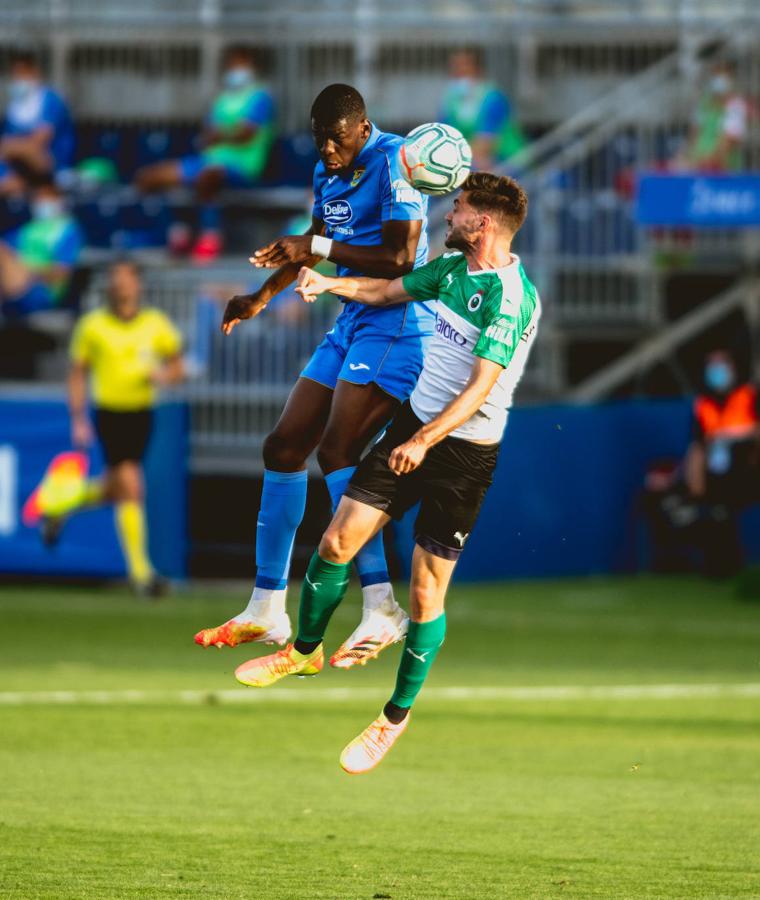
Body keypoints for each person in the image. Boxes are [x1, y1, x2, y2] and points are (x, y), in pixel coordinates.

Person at [232, 172, 540, 774]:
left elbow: (482, 387)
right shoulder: (452, 273)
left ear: (483, 223)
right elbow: (388, 290)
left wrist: (426, 439)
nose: (446, 217)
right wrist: (328, 282)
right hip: (414, 429)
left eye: (458, 209)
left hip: (462, 452)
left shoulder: (511, 296)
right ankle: (301, 651)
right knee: (336, 539)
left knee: (427, 592)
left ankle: (392, 719)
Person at [194, 83, 433, 668]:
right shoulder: (328, 173)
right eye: (318, 137)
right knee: (283, 445)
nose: (326, 147)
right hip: (352, 317)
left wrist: (317, 244)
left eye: (336, 137)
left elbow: (401, 258)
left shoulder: (394, 161)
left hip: (397, 321)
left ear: (362, 127)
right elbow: (313, 244)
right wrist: (259, 297)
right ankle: (266, 605)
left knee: (339, 449)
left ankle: (381, 602)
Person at [40, 258, 185, 596]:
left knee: (117, 487)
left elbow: (177, 367)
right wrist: (78, 419)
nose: (120, 284)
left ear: (138, 284)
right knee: (132, 485)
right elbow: (77, 374)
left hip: (142, 413)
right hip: (109, 414)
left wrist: (163, 376)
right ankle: (141, 574)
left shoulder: (156, 324)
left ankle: (60, 504)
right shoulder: (92, 326)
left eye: (125, 278)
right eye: (114, 278)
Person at [135, 45, 276, 263]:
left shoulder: (261, 98)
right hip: (208, 160)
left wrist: (220, 135)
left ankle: (210, 236)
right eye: (232, 65)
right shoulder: (221, 100)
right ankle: (176, 232)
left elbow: (246, 134)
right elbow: (209, 134)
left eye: (240, 64)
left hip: (243, 166)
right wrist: (221, 135)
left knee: (207, 177)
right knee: (150, 177)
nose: (235, 69)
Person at [682, 350, 760, 575]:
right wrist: (696, 485)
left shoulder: (748, 395)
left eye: (721, 365)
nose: (716, 371)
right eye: (711, 366)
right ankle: (723, 568)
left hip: (750, 469)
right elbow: (697, 448)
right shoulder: (703, 404)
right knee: (715, 515)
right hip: (719, 475)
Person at [0, 177, 82, 319]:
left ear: (59, 200)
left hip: (43, 291)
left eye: (47, 196)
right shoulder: (24, 230)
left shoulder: (67, 229)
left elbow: (62, 272)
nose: (41, 201)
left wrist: (28, 272)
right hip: (11, 284)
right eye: (38, 196)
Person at [0, 50, 75, 197]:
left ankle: (29, 185)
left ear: (34, 73)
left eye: (23, 73)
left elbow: (38, 142)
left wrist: (11, 146)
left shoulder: (51, 101)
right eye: (15, 75)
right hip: (18, 167)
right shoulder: (14, 108)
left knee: (32, 151)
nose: (18, 79)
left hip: (52, 165)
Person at [440, 50, 526, 170]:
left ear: (478, 70)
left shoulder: (494, 99)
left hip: (507, 160)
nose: (460, 74)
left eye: (465, 69)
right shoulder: (451, 101)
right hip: (470, 159)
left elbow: (485, 143)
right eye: (456, 70)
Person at [677, 62, 749, 173]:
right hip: (699, 164)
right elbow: (694, 134)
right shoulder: (703, 104)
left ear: (730, 81)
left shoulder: (735, 105)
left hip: (724, 169)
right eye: (716, 76)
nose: (718, 82)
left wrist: (707, 161)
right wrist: (686, 157)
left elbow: (730, 141)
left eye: (723, 77)